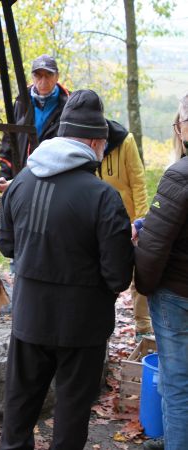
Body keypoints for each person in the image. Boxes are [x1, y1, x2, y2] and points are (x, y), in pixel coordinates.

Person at [0, 89, 134, 450]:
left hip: (29, 318)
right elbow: (118, 276)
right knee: (71, 417)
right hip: (82, 327)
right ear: (95, 141)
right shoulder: (103, 197)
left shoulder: (20, 183)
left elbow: (7, 246)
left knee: (19, 409)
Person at [135, 93, 188, 450]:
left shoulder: (179, 175)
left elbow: (153, 249)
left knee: (177, 384)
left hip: (177, 296)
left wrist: (145, 285)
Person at [99, 119, 152, 341]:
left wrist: (139, 220)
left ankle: (143, 327)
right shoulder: (85, 144)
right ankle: (101, 326)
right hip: (102, 221)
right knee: (103, 275)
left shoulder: (126, 142)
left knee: (138, 276)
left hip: (129, 220)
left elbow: (138, 182)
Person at [0, 54, 69, 182]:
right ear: (32, 77)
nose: (43, 81)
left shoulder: (69, 104)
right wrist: (4, 176)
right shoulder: (21, 102)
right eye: (38, 75)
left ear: (57, 76)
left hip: (54, 180)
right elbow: (8, 141)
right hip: (20, 178)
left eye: (48, 75)